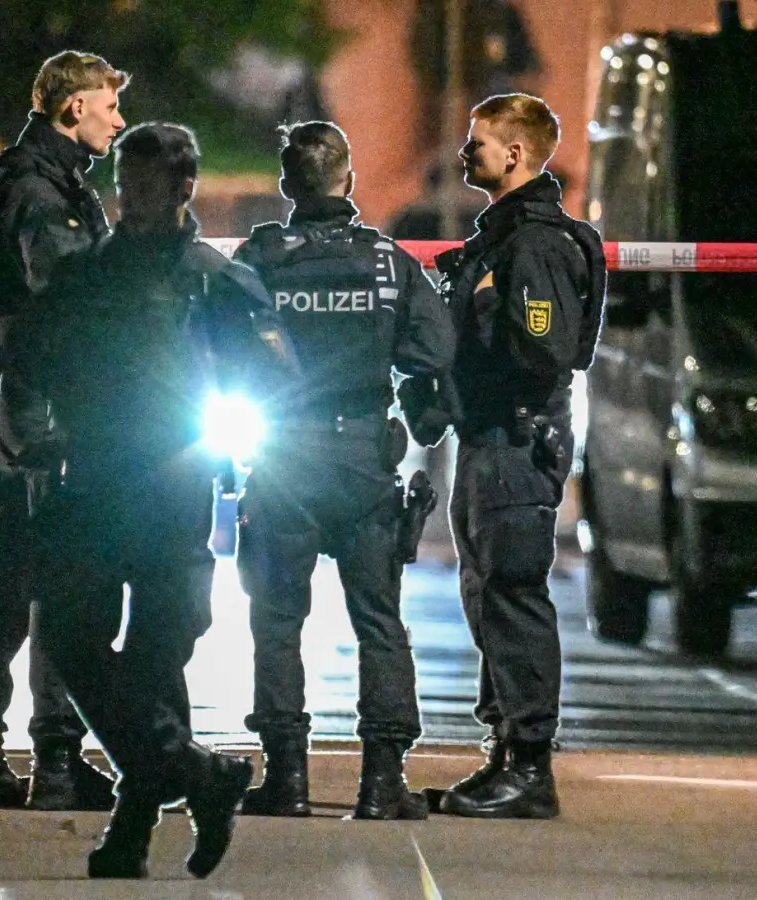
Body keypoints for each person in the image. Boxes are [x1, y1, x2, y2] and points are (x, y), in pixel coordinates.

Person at [9, 122, 296, 879]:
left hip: (174, 489)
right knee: (70, 639)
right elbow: (28, 359)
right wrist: (29, 427)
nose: (131, 201)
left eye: (147, 187)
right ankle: (199, 774)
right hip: (95, 482)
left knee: (154, 662)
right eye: (125, 186)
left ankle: (134, 831)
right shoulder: (86, 274)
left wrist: (240, 437)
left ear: (182, 188)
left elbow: (276, 376)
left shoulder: (211, 277)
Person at [231, 121, 458, 821]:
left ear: (287, 186)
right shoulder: (388, 264)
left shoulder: (260, 259)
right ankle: (382, 783)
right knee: (379, 621)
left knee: (277, 619)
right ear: (348, 182)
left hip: (282, 454)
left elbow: (215, 345)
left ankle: (287, 782)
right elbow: (434, 351)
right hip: (363, 457)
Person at [0, 50, 128, 811]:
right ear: (71, 109)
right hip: (57, 406)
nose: (118, 120)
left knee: (3, 585)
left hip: (17, 396)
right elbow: (71, 296)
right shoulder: (41, 191)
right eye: (107, 105)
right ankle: (54, 760)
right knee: (59, 585)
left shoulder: (0, 179)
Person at [420, 94, 605, 819]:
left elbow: (547, 348)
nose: (468, 153)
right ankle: (505, 755)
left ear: (516, 154)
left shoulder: (534, 246)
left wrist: (491, 310)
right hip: (488, 440)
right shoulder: (503, 238)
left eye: (479, 142)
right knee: (487, 594)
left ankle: (529, 769)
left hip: (516, 442)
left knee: (514, 597)